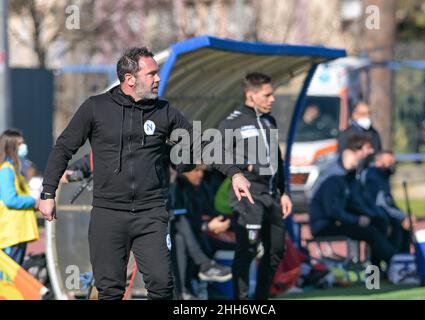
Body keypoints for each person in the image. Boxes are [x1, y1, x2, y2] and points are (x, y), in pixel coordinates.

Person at [39, 47, 253, 300]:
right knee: (110, 291)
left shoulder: (165, 112)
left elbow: (202, 142)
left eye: (157, 73)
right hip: (108, 214)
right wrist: (48, 192)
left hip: (151, 213)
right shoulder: (95, 108)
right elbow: (64, 147)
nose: (158, 79)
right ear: (130, 79)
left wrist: (235, 173)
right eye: (151, 74)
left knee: (162, 286)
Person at [217, 72, 293, 300]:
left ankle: (261, 300)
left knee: (277, 251)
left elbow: (278, 160)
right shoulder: (232, 122)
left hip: (272, 196)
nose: (273, 99)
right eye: (267, 95)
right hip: (248, 196)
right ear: (251, 95)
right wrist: (243, 166)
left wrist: (284, 191)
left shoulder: (270, 120)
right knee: (247, 250)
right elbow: (217, 154)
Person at [309, 135, 397, 268]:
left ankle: (383, 270)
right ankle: (394, 262)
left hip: (339, 221)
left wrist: (372, 216)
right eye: (354, 161)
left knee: (380, 223)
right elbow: (332, 211)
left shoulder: (347, 178)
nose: (356, 165)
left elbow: (354, 202)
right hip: (325, 225)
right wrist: (357, 220)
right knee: (370, 232)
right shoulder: (333, 179)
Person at [169, 165, 233, 300]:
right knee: (180, 237)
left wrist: (223, 223)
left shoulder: (196, 187)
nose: (200, 174)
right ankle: (191, 284)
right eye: (196, 170)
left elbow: (205, 211)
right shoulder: (177, 188)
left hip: (199, 239)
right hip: (180, 238)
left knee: (239, 246)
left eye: (201, 170)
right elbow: (180, 220)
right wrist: (206, 226)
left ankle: (190, 289)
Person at [0, 129, 39, 265]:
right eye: (20, 143)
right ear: (11, 146)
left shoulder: (15, 169)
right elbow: (10, 199)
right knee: (9, 278)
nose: (24, 146)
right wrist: (33, 201)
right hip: (11, 233)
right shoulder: (6, 170)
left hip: (18, 233)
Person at [362, 151, 412, 253]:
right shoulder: (374, 177)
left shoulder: (383, 175)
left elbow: (390, 203)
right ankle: (394, 260)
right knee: (397, 224)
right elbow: (382, 204)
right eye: (389, 162)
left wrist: (405, 215)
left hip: (381, 212)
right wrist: (402, 217)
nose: (392, 166)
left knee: (406, 225)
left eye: (394, 162)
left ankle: (403, 260)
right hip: (373, 213)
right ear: (379, 163)